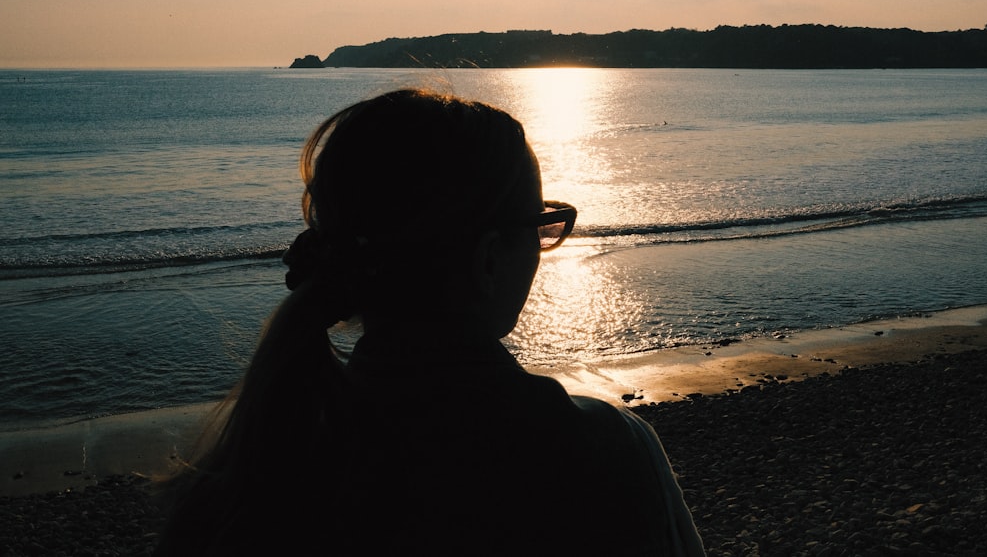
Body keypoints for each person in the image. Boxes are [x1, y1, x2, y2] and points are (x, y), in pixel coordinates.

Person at [156, 89, 704, 556]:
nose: (543, 246)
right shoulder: (606, 450)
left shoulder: (241, 482)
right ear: (488, 259)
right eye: (540, 225)